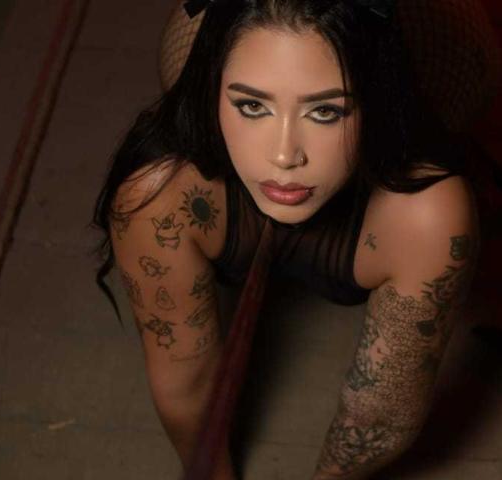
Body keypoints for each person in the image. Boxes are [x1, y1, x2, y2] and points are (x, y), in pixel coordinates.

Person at [91, 1, 481, 478]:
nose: (284, 156)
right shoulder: (160, 195)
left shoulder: (428, 215)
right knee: (183, 66)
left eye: (325, 111)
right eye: (252, 106)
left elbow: (381, 415)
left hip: (436, 56)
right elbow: (184, 377)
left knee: (462, 84)